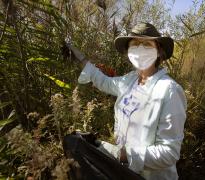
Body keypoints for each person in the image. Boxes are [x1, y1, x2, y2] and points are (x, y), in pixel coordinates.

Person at [63, 22, 187, 180]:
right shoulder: (130, 80)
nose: (140, 49)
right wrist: (81, 59)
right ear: (129, 51)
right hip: (123, 171)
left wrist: (121, 154)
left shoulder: (169, 91)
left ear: (159, 51)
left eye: (147, 44)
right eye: (135, 44)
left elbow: (169, 153)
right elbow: (105, 82)